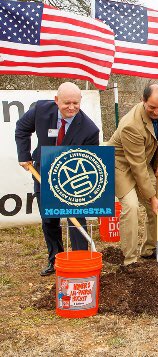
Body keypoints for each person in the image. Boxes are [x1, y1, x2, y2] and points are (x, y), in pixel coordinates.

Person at [15, 82, 100, 276]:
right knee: (49, 217)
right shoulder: (41, 110)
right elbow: (22, 128)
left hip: (72, 178)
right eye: (66, 103)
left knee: (76, 218)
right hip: (43, 171)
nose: (71, 107)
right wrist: (24, 155)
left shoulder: (90, 130)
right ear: (56, 101)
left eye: (75, 103)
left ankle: (80, 260)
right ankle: (55, 260)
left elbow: (89, 162)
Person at [107, 84, 158, 265]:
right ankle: (130, 259)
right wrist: (152, 197)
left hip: (142, 160)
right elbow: (138, 167)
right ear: (143, 101)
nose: (157, 112)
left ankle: (149, 249)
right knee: (131, 206)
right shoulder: (130, 125)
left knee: (156, 208)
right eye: (152, 108)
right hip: (120, 164)